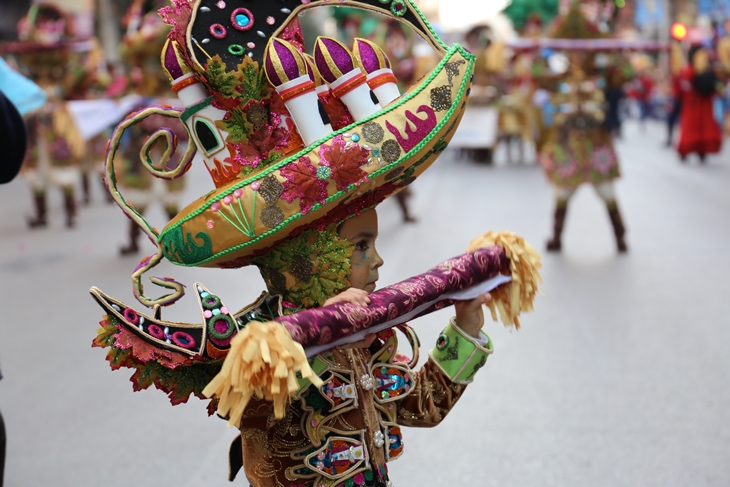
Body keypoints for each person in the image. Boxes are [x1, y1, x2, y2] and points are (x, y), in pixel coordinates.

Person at [88, 2, 541, 486]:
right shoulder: (260, 344)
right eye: (361, 246)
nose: (378, 260)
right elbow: (268, 447)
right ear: (307, 260)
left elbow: (419, 407)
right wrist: (314, 342)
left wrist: (466, 326)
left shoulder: (371, 334)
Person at [537, 2, 630, 253]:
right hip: (568, 142)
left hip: (597, 139)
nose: (578, 56)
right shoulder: (560, 78)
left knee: (607, 192)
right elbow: (538, 77)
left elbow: (626, 74)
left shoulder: (602, 76)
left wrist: (619, 54)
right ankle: (556, 237)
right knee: (563, 194)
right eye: (574, 51)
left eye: (583, 51)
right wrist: (536, 52)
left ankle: (621, 237)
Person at [676, 45, 722, 163]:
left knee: (695, 128)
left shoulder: (690, 71)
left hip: (695, 105)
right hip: (699, 104)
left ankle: (693, 150)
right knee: (699, 128)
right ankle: (696, 151)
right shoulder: (702, 70)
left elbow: (681, 88)